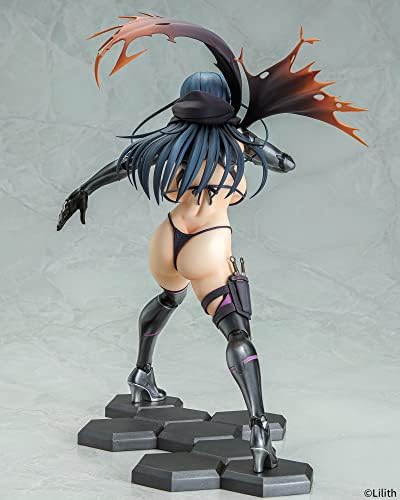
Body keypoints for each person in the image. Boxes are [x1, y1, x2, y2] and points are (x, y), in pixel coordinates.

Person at [57, 14, 365, 473]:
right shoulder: (236, 144)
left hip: (167, 241)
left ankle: (142, 374)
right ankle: (258, 428)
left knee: (168, 297)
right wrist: (247, 136)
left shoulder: (166, 142)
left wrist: (82, 190)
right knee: (237, 333)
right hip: (207, 244)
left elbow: (121, 165)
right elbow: (286, 163)